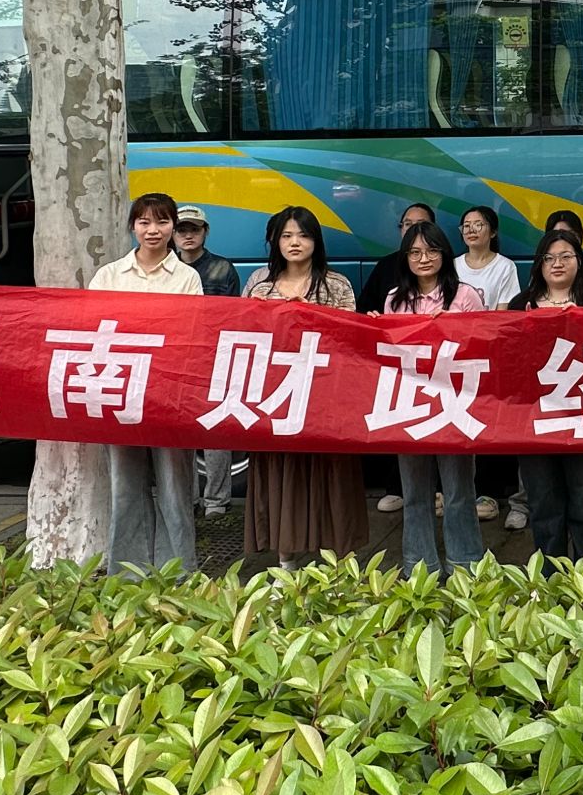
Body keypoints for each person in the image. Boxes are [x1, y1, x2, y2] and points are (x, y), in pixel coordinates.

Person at [240, 206, 368, 567]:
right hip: (276, 399)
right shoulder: (260, 287)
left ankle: (339, 567)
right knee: (283, 477)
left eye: (303, 235)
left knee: (332, 478)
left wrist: (312, 316)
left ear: (316, 241)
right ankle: (287, 563)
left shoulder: (336, 285)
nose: (294, 242)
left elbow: (350, 338)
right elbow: (245, 338)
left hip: (326, 397)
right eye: (286, 235)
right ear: (276, 242)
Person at [90, 192, 204, 573]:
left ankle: (178, 573)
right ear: (133, 227)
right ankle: (127, 575)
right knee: (124, 489)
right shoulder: (109, 275)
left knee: (175, 489)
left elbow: (192, 335)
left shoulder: (187, 278)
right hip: (119, 394)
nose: (153, 230)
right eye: (144, 222)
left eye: (162, 221)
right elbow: (92, 329)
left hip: (169, 397)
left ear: (173, 226)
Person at [377, 219, 489, 573]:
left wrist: (456, 326)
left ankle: (465, 565)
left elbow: (485, 345)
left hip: (454, 404)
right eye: (414, 252)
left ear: (444, 253)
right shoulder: (394, 298)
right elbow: (388, 351)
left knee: (458, 491)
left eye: (431, 250)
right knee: (414, 493)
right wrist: (374, 328)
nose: (423, 259)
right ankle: (419, 567)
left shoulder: (465, 296)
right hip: (409, 404)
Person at [507, 228, 583, 564]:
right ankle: (550, 583)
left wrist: (578, 323)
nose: (557, 263)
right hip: (535, 420)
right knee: (544, 504)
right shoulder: (520, 305)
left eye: (566, 256)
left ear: (579, 262)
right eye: (549, 257)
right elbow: (506, 360)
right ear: (539, 264)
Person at [367, 201, 438, 513]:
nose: (422, 257)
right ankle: (398, 490)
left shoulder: (460, 291)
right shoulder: (390, 285)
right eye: (408, 225)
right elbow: (367, 315)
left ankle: (441, 492)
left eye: (422, 225)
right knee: (404, 436)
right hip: (405, 377)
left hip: (444, 378)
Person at [175, 204, 243, 520]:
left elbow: (231, 318)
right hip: (175, 360)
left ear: (206, 232)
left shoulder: (222, 269)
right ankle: (186, 499)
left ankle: (216, 501)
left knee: (215, 430)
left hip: (214, 358)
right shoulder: (165, 268)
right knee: (180, 433)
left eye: (194, 229)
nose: (188, 235)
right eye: (182, 229)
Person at [456, 204, 522, 523]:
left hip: (490, 353)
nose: (471, 230)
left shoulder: (505, 267)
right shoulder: (452, 265)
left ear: (492, 231)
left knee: (487, 422)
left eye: (478, 224)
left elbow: (503, 313)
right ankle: (456, 492)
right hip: (457, 356)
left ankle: (489, 493)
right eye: (466, 225)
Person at [362, 202, 437, 314]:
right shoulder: (385, 266)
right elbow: (364, 309)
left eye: (421, 224)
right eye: (408, 224)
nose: (413, 229)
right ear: (401, 228)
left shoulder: (441, 262)